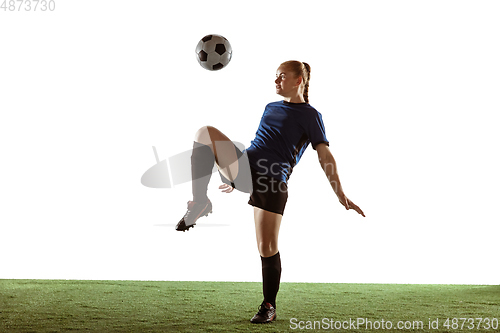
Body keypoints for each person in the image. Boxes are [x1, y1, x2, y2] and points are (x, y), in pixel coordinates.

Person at [175, 60, 365, 324]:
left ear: (299, 81)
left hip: (272, 181)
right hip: (246, 167)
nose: (276, 81)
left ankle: (269, 306)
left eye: (282, 77)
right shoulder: (270, 107)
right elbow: (261, 142)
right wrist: (233, 176)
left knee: (266, 247)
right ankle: (199, 203)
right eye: (275, 77)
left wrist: (340, 192)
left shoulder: (311, 116)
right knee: (204, 132)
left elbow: (324, 155)